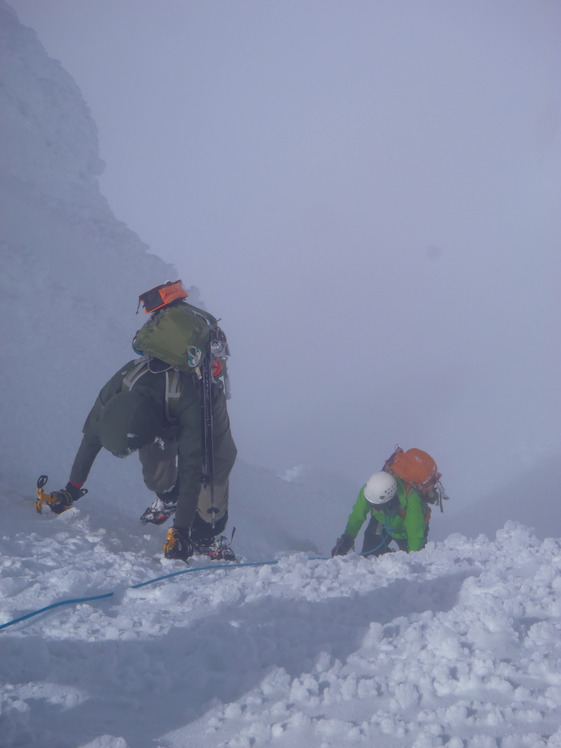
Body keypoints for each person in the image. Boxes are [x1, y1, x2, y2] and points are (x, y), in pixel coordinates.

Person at [42, 289, 237, 562]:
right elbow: (90, 439)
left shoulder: (188, 400)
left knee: (212, 468)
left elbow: (192, 466)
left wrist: (180, 531)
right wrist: (69, 491)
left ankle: (207, 535)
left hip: (201, 397)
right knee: (155, 472)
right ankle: (170, 497)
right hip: (158, 410)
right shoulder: (120, 384)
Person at [331, 469, 430, 557]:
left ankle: (392, 558)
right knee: (369, 557)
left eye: (378, 506)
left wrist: (413, 557)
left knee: (409, 559)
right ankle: (387, 555)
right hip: (382, 522)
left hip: (406, 532)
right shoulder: (369, 492)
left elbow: (415, 532)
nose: (374, 508)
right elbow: (357, 516)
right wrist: (347, 538)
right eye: (371, 505)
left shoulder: (411, 499)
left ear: (390, 499)